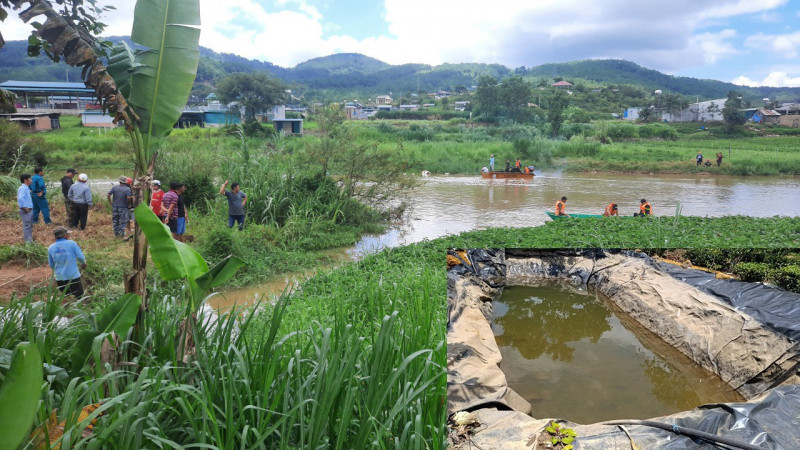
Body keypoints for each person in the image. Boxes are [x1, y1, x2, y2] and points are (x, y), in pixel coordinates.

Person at [47, 227, 86, 299]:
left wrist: (57, 272)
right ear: (64, 235)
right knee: (79, 297)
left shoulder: (51, 247)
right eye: (67, 233)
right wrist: (83, 263)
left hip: (60, 277)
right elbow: (80, 257)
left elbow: (51, 264)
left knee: (65, 298)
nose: (68, 235)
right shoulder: (72, 243)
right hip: (73, 276)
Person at [17, 174, 34, 243]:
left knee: (29, 226)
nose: (31, 180)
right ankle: (28, 242)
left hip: (29, 210)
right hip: (26, 210)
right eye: (30, 179)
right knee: (27, 226)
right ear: (25, 180)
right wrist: (25, 207)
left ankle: (30, 241)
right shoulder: (23, 188)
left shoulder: (27, 188)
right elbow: (20, 198)